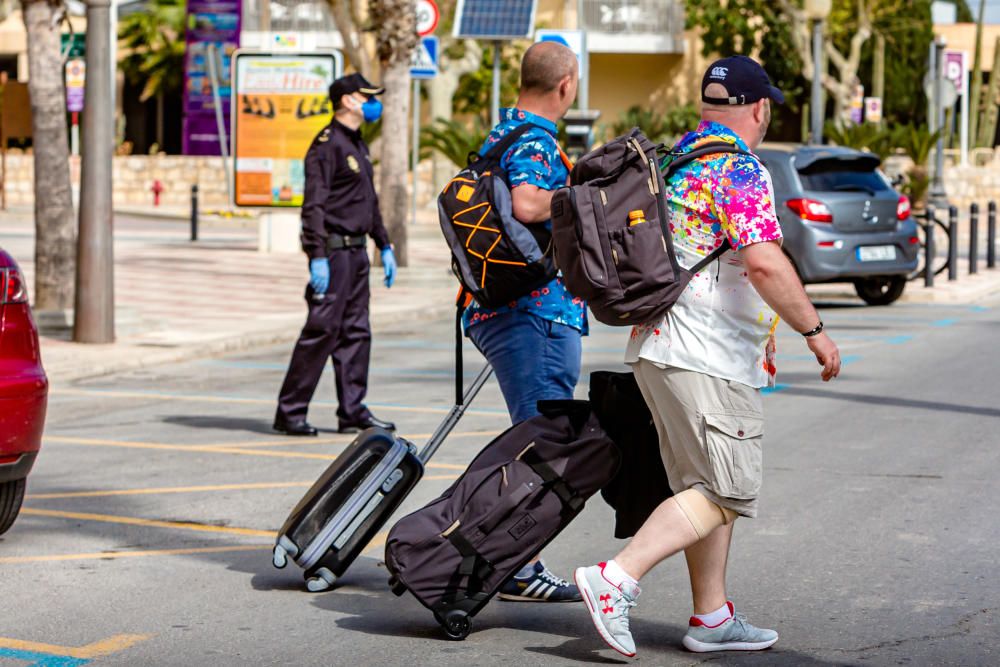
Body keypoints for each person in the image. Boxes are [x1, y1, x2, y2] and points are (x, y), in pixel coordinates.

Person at [574, 56, 843, 656]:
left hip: (659, 346)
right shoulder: (738, 167)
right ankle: (615, 580)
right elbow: (765, 261)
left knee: (702, 485)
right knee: (725, 491)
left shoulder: (675, 158)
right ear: (759, 107)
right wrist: (815, 330)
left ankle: (711, 616)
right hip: (707, 353)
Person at [465, 41, 585, 603]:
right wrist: (586, 195)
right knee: (540, 443)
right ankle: (515, 564)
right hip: (533, 313)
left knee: (531, 438)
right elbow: (528, 205)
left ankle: (508, 557)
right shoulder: (535, 139)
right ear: (566, 85)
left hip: (505, 308)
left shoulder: (502, 132)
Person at [273, 73, 398, 437]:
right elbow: (313, 205)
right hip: (333, 252)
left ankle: (352, 410)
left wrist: (384, 244)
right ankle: (290, 411)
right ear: (347, 100)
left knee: (357, 333)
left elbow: (368, 202)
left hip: (357, 253)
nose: (374, 103)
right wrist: (316, 254)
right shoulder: (326, 145)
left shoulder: (357, 144)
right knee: (322, 330)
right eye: (367, 96)